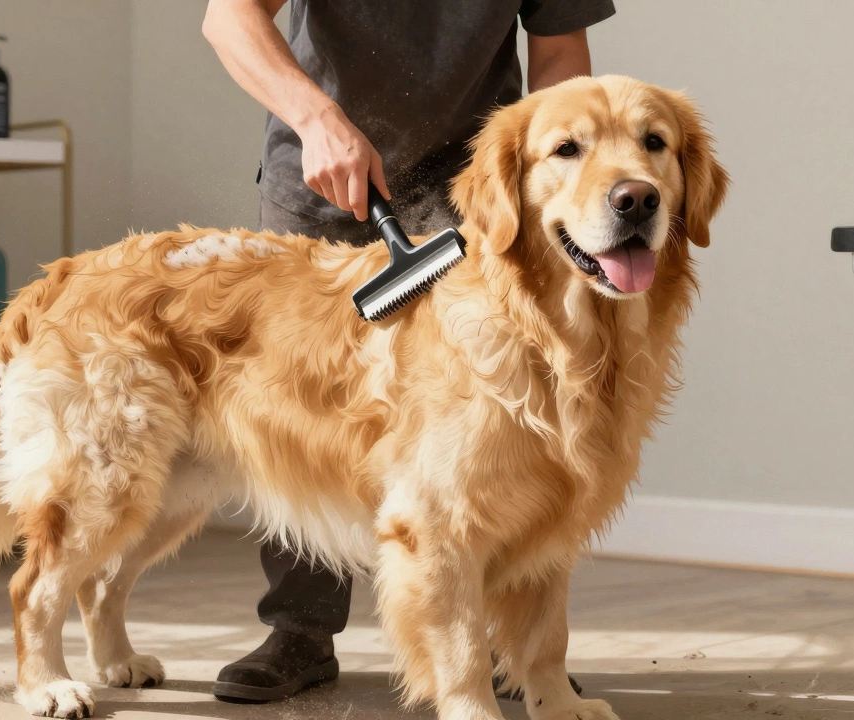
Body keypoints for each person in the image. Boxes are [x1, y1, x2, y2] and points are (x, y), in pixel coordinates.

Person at [202, 0, 616, 704]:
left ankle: (494, 646)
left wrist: (554, 177)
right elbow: (228, 18)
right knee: (315, 419)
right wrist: (316, 119)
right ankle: (301, 629)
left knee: (492, 442)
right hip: (320, 180)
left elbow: (557, 61)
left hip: (473, 193)